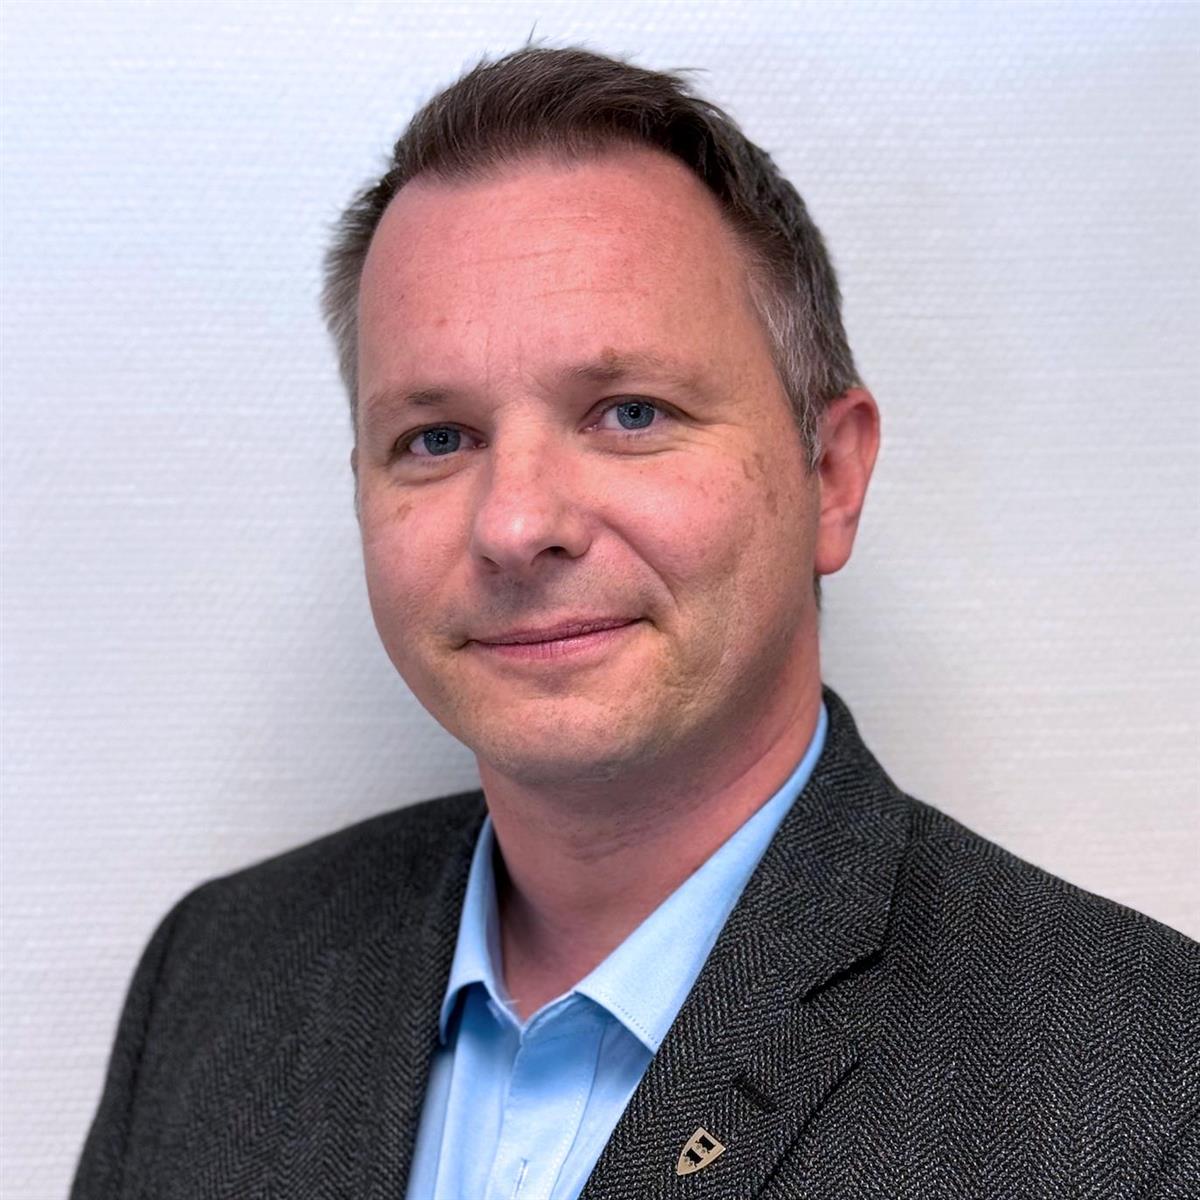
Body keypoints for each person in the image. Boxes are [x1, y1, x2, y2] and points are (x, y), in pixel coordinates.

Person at [71, 46, 1197, 1200]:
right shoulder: (216, 982)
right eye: (437, 439)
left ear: (831, 476)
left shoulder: (1148, 1093)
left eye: (630, 413)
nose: (517, 524)